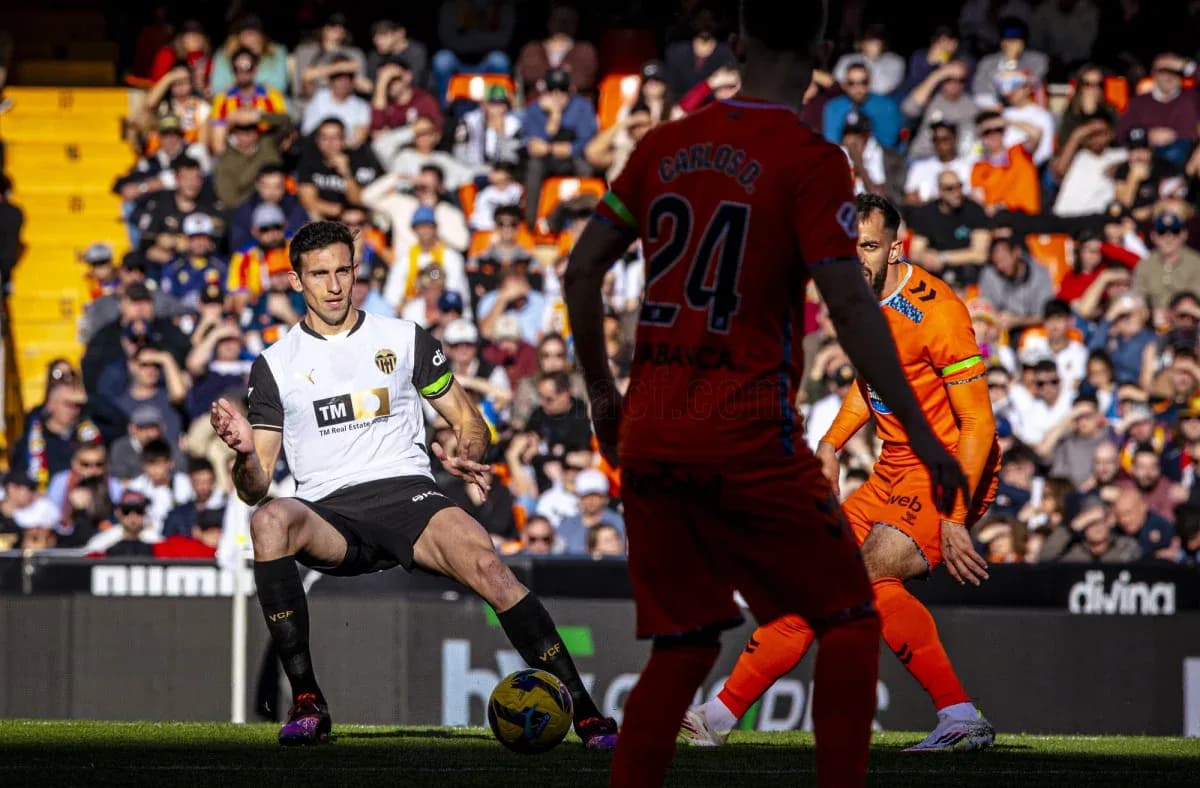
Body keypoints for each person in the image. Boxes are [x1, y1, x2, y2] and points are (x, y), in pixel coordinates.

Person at [563, 4, 971, 784]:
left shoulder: (661, 144)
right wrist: (921, 436)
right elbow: (851, 306)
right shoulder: (814, 160)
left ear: (737, 47)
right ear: (822, 51)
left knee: (682, 646)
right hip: (745, 429)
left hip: (649, 428)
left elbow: (582, 271)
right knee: (850, 616)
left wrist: (603, 396)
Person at [209, 221, 616, 749]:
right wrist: (243, 454)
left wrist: (468, 451)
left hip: (409, 496)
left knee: (491, 567)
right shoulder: (275, 365)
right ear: (295, 281)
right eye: (318, 275)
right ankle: (308, 700)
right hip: (331, 513)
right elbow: (254, 486)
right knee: (267, 520)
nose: (333, 286)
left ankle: (585, 714)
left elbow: (470, 422)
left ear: (357, 271)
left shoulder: (403, 339)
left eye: (342, 272)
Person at [681, 194, 998, 752]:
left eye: (868, 247)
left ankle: (961, 717)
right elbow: (870, 380)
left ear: (896, 248)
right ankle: (717, 718)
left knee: (867, 580)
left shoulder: (940, 313)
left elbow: (978, 423)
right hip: (891, 471)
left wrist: (953, 515)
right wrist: (831, 442)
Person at [907, 171, 992, 289]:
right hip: (937, 278)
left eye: (959, 186)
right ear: (940, 191)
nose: (956, 192)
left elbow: (980, 254)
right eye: (950, 188)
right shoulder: (926, 213)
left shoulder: (974, 211)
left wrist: (943, 257)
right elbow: (914, 252)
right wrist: (925, 257)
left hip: (970, 278)